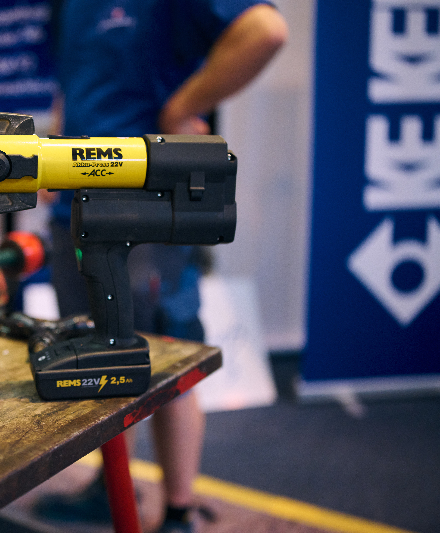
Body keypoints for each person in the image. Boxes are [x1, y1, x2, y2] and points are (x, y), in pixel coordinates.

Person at [37, 1, 287, 532]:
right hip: (72, 203)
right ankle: (110, 488)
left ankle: (178, 509)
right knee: (94, 356)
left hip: (144, 204)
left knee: (168, 356)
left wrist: (182, 108)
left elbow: (265, 31)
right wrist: (54, 149)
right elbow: (72, 82)